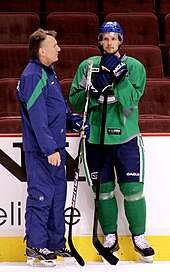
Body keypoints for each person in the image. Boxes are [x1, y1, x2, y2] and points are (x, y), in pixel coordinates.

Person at [69, 21, 155, 263]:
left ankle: (139, 237)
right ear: (99, 41)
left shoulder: (135, 67)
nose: (109, 43)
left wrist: (120, 77)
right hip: (95, 138)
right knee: (103, 191)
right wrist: (93, 95)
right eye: (104, 38)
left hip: (126, 137)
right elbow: (76, 101)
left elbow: (131, 99)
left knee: (132, 190)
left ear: (121, 41)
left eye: (114, 38)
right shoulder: (88, 66)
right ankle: (110, 236)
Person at [16, 28, 90, 266]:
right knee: (41, 196)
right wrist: (49, 149)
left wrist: (73, 120)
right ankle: (36, 245)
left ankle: (55, 243)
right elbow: (37, 117)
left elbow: (57, 107)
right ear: (41, 50)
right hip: (42, 151)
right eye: (55, 44)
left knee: (58, 197)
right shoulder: (32, 76)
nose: (59, 48)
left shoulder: (48, 73)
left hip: (56, 148)